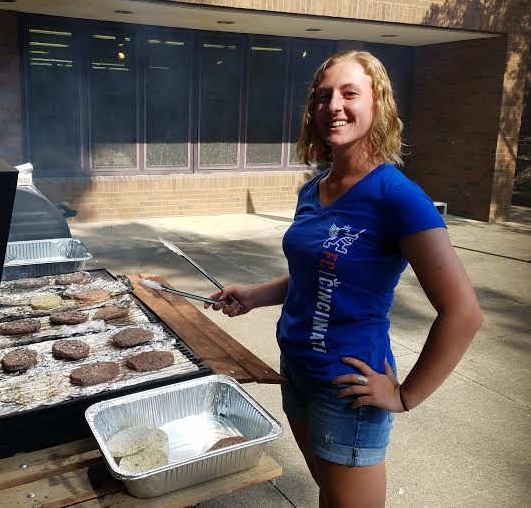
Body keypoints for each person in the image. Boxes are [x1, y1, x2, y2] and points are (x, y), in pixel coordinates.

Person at [205, 50, 483, 508]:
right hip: (296, 373)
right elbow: (314, 275)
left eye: (350, 93)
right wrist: (255, 295)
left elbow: (464, 313)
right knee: (330, 498)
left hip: (348, 390)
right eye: (322, 96)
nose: (333, 105)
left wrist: (406, 395)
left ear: (378, 106)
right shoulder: (314, 189)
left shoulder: (398, 196)